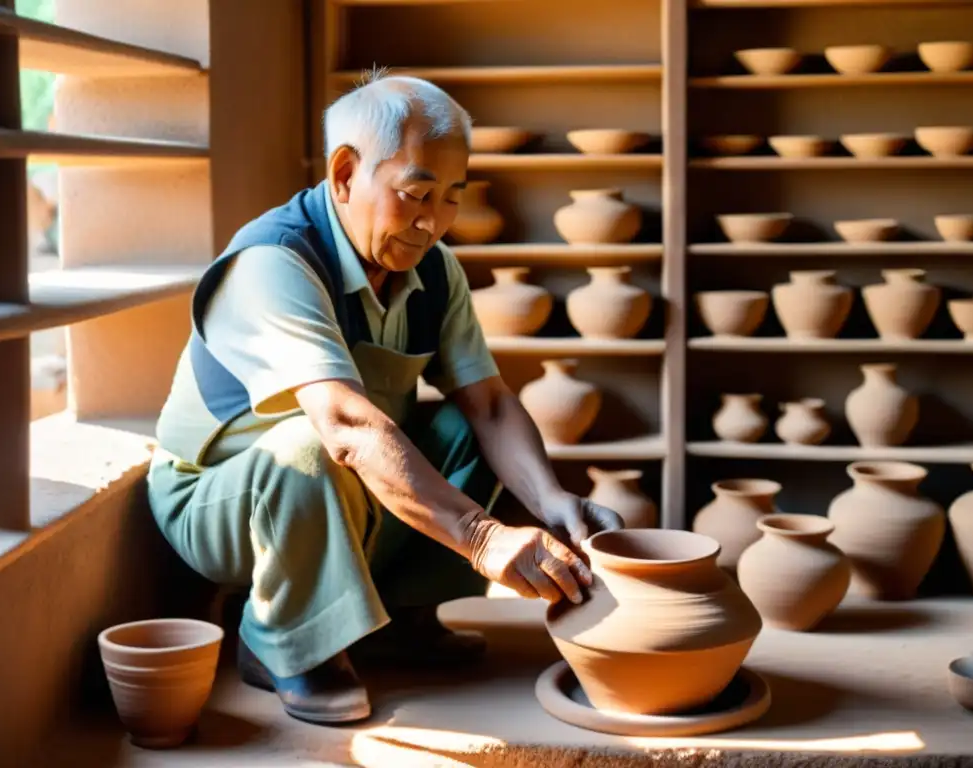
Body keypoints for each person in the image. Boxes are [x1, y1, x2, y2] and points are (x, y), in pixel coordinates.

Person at [146, 71, 624, 727]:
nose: (435, 222)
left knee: (464, 428)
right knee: (310, 447)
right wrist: (482, 538)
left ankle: (400, 619)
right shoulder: (273, 261)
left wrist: (551, 501)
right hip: (226, 503)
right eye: (417, 194)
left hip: (350, 494)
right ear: (344, 174)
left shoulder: (432, 267)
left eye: (454, 196)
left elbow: (488, 403)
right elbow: (345, 426)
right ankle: (281, 638)